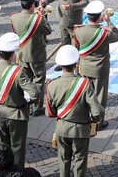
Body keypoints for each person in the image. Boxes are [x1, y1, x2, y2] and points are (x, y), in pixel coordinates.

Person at [0, 32, 41, 168]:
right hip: (17, 115)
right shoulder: (17, 72)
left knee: (1, 147)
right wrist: (29, 101)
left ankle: (2, 171)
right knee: (17, 147)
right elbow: (35, 92)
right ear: (13, 53)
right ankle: (17, 173)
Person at [45, 45, 103, 177]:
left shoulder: (51, 84)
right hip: (80, 131)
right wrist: (96, 117)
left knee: (64, 160)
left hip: (61, 129)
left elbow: (50, 112)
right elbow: (97, 112)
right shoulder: (85, 83)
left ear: (60, 66)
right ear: (76, 64)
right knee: (80, 161)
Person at [72, 0, 118, 129]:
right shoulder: (104, 33)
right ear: (100, 17)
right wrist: (108, 21)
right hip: (100, 69)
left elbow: (75, 48)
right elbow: (117, 36)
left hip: (84, 68)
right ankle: (99, 121)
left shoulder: (78, 31)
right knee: (99, 96)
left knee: (85, 93)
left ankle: (84, 116)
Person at [11, 0, 52, 116]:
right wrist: (42, 16)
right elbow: (48, 31)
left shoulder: (14, 17)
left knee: (26, 80)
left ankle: (26, 103)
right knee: (39, 79)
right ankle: (38, 106)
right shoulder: (38, 19)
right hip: (37, 54)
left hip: (22, 54)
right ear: (33, 5)